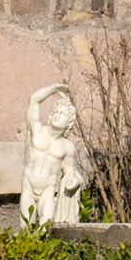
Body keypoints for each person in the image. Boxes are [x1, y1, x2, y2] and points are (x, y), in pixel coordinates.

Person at [20, 83, 83, 224]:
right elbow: (34, 100)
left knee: (45, 226)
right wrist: (54, 89)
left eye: (63, 114)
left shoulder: (67, 147)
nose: (57, 116)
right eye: (56, 112)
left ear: (69, 122)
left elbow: (69, 173)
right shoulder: (36, 130)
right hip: (29, 186)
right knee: (25, 229)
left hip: (48, 190)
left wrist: (75, 181)